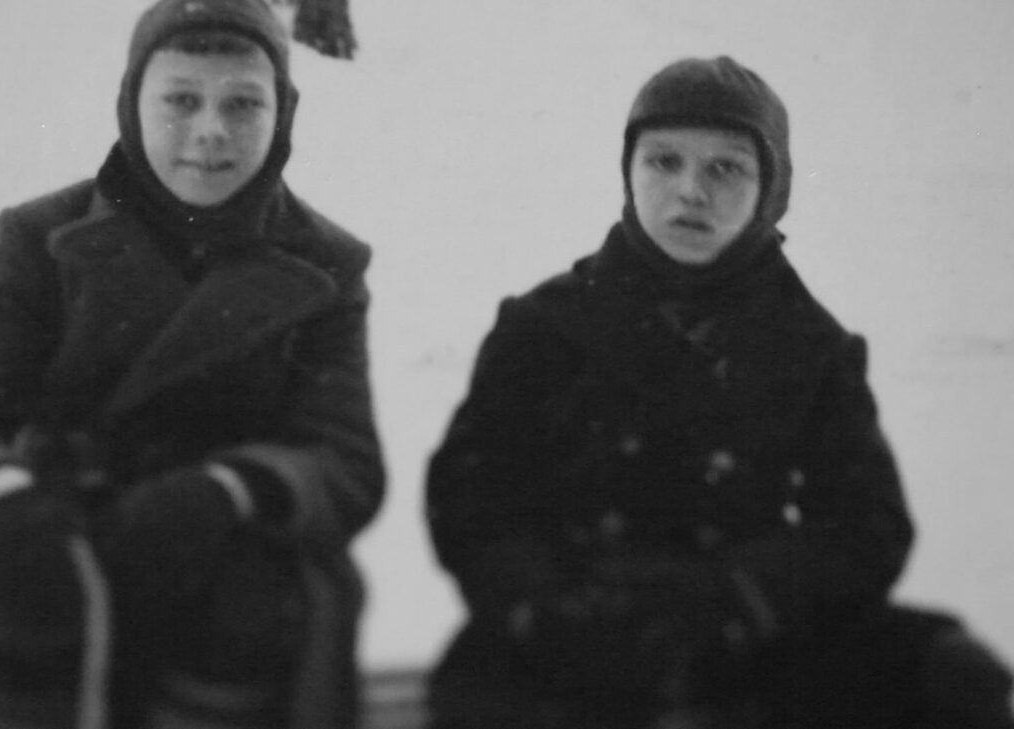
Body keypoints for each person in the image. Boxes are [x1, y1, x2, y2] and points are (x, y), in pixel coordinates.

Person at [423, 55, 1014, 729]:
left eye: (725, 169)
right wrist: (545, 604)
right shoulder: (544, 326)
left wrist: (739, 593)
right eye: (664, 161)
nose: (690, 192)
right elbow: (472, 500)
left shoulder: (811, 346)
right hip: (572, 634)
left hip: (751, 640)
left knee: (951, 675)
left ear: (770, 190)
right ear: (629, 170)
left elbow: (867, 528)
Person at [0, 1, 384, 727]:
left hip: (237, 582)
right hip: (56, 555)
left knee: (239, 645)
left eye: (243, 103)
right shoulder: (41, 238)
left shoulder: (325, 263)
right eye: (181, 99)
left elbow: (345, 458)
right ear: (131, 103)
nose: (211, 130)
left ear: (284, 112)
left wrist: (227, 492)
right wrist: (1, 504)